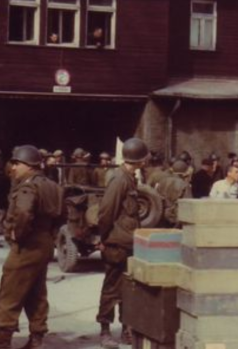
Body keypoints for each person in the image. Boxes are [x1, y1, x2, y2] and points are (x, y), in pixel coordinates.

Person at [0, 145, 64, 349]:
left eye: (17, 163)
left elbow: (24, 213)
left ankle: (3, 342)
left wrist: (18, 234)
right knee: (36, 292)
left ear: (29, 165)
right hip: (44, 243)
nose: (13, 167)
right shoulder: (53, 186)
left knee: (10, 291)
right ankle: (36, 339)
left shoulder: (27, 186)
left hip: (27, 244)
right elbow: (62, 215)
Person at [96, 137, 147, 348]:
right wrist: (104, 237)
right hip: (116, 244)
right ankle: (105, 330)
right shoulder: (119, 180)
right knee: (112, 289)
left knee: (128, 289)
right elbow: (106, 211)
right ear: (138, 159)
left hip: (127, 243)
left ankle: (126, 328)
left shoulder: (129, 178)